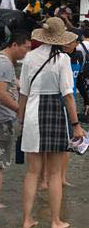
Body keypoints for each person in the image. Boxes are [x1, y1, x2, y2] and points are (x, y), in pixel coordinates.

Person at [18, 17, 84, 228]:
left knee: (32, 172)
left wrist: (20, 120)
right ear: (60, 37)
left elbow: (23, 93)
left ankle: (27, 220)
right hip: (54, 111)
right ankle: (55, 221)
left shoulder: (29, 57)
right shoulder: (63, 59)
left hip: (32, 112)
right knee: (55, 173)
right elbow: (68, 95)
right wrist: (76, 124)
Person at [0, 32, 30, 208]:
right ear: (14, 45)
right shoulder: (5, 64)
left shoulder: (3, 62)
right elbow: (1, 93)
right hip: (3, 119)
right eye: (25, 48)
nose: (26, 53)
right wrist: (19, 110)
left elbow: (9, 84)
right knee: (1, 162)